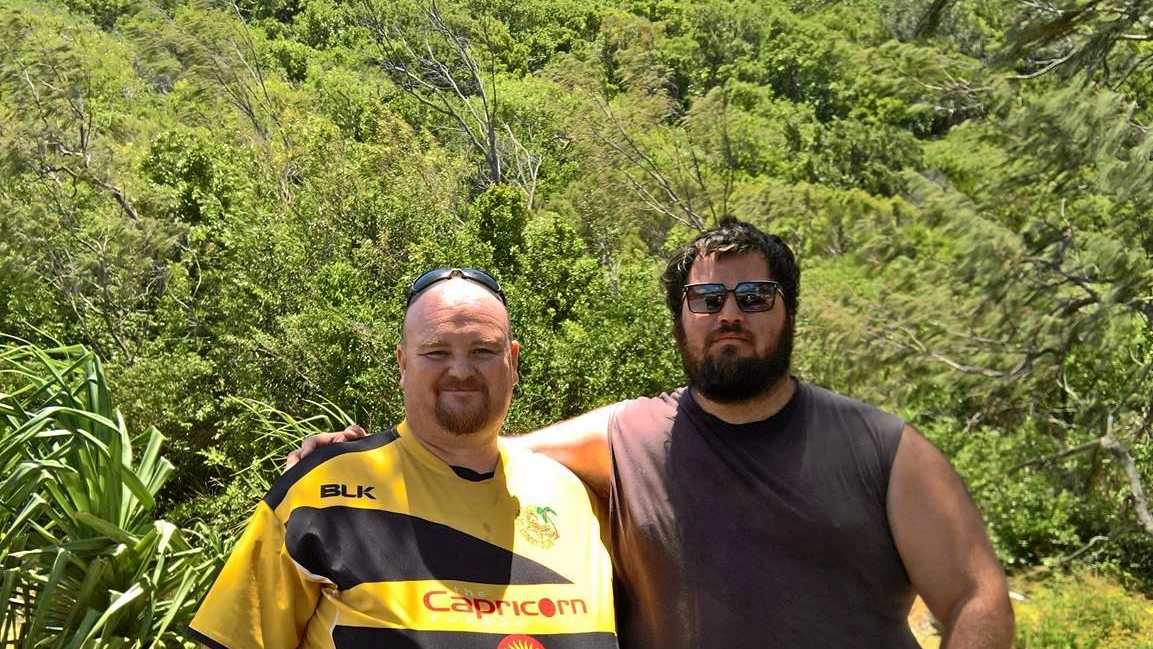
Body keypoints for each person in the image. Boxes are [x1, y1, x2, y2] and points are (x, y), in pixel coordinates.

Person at [291, 221, 1015, 649]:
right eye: (706, 298)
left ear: (787, 313)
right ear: (680, 319)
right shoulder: (626, 434)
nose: (729, 312)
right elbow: (475, 452)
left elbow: (977, 596)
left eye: (753, 296)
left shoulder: (880, 448)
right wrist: (358, 457)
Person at [191, 268, 618, 649]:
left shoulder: (580, 495)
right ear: (402, 363)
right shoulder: (318, 494)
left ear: (513, 361)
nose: (461, 370)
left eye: (483, 351)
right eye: (436, 352)